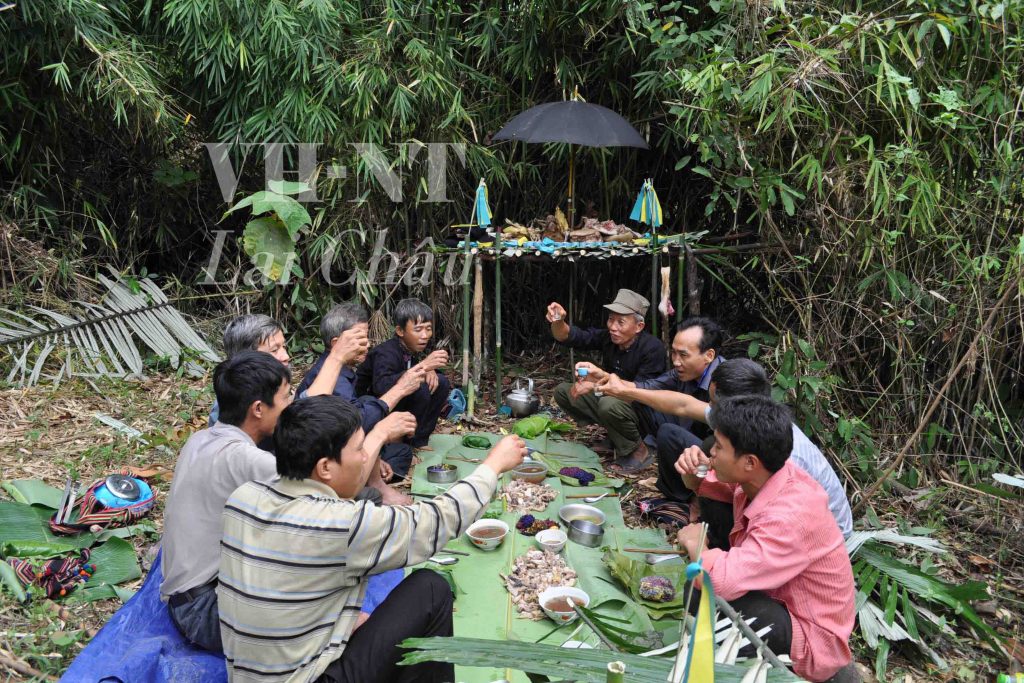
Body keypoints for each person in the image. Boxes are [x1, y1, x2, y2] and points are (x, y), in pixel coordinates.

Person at [217, 396, 528, 683]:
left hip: (250, 673)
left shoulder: (243, 498)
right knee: (430, 589)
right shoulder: (339, 525)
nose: (366, 458)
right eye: (359, 450)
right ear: (325, 467)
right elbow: (436, 520)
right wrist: (493, 466)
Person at [162, 352, 416, 653]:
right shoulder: (245, 459)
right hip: (206, 609)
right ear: (258, 409)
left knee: (366, 500)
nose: (290, 404)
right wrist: (380, 435)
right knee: (355, 620)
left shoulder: (202, 439)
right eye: (285, 397)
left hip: (194, 593)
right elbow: (336, 495)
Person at [676, 395, 858, 683]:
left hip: (812, 636)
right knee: (708, 550)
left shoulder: (791, 514)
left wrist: (696, 544)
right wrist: (693, 474)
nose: (711, 454)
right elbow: (710, 487)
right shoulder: (767, 476)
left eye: (719, 448)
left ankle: (796, 672)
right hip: (783, 600)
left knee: (703, 590)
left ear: (749, 462)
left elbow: (720, 581)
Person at [600, 358, 854, 540]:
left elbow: (789, 523)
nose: (709, 406)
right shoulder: (749, 418)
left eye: (712, 401)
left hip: (813, 535)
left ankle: (720, 542)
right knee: (682, 441)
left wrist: (705, 556)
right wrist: (627, 390)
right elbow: (683, 406)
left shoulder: (784, 456)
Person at [296, 302, 425, 478]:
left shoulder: (343, 370)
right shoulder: (334, 379)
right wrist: (400, 389)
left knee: (399, 450)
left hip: (339, 445)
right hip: (326, 457)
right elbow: (356, 425)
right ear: (337, 344)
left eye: (367, 338)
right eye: (361, 339)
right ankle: (368, 485)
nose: (368, 344)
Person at [547, 289, 667, 473]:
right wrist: (558, 320)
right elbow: (569, 336)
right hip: (615, 400)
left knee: (608, 403)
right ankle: (615, 437)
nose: (613, 326)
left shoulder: (653, 349)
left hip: (644, 412)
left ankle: (639, 450)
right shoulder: (609, 338)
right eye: (611, 319)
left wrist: (596, 385)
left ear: (639, 326)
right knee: (564, 392)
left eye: (621, 322)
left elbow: (640, 394)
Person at [354, 299, 450, 448]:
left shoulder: (411, 347)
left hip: (397, 399)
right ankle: (402, 443)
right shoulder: (386, 352)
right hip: (369, 407)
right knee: (420, 387)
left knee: (441, 382)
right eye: (418, 330)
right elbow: (381, 386)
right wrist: (423, 367)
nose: (425, 335)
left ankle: (419, 439)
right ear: (400, 331)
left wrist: (429, 370)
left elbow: (410, 370)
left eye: (428, 328)